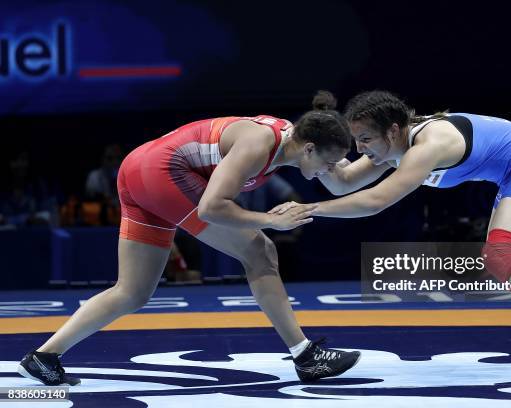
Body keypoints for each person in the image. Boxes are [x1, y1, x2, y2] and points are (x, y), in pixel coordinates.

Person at [18, 91, 361, 386]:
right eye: (327, 164)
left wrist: (399, 158)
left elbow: (344, 182)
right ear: (310, 149)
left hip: (141, 170)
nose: (327, 172)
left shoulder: (298, 140)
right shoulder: (259, 144)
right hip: (159, 173)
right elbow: (212, 207)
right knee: (259, 249)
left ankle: (44, 357)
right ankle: (306, 356)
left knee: (133, 291)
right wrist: (271, 220)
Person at [272, 90, 511, 384]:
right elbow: (343, 183)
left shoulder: (429, 145)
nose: (360, 149)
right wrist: (322, 150)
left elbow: (375, 201)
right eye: (356, 141)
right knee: (496, 255)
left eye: (365, 139)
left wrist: (307, 209)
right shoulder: (392, 146)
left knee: (500, 253)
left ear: (393, 131)